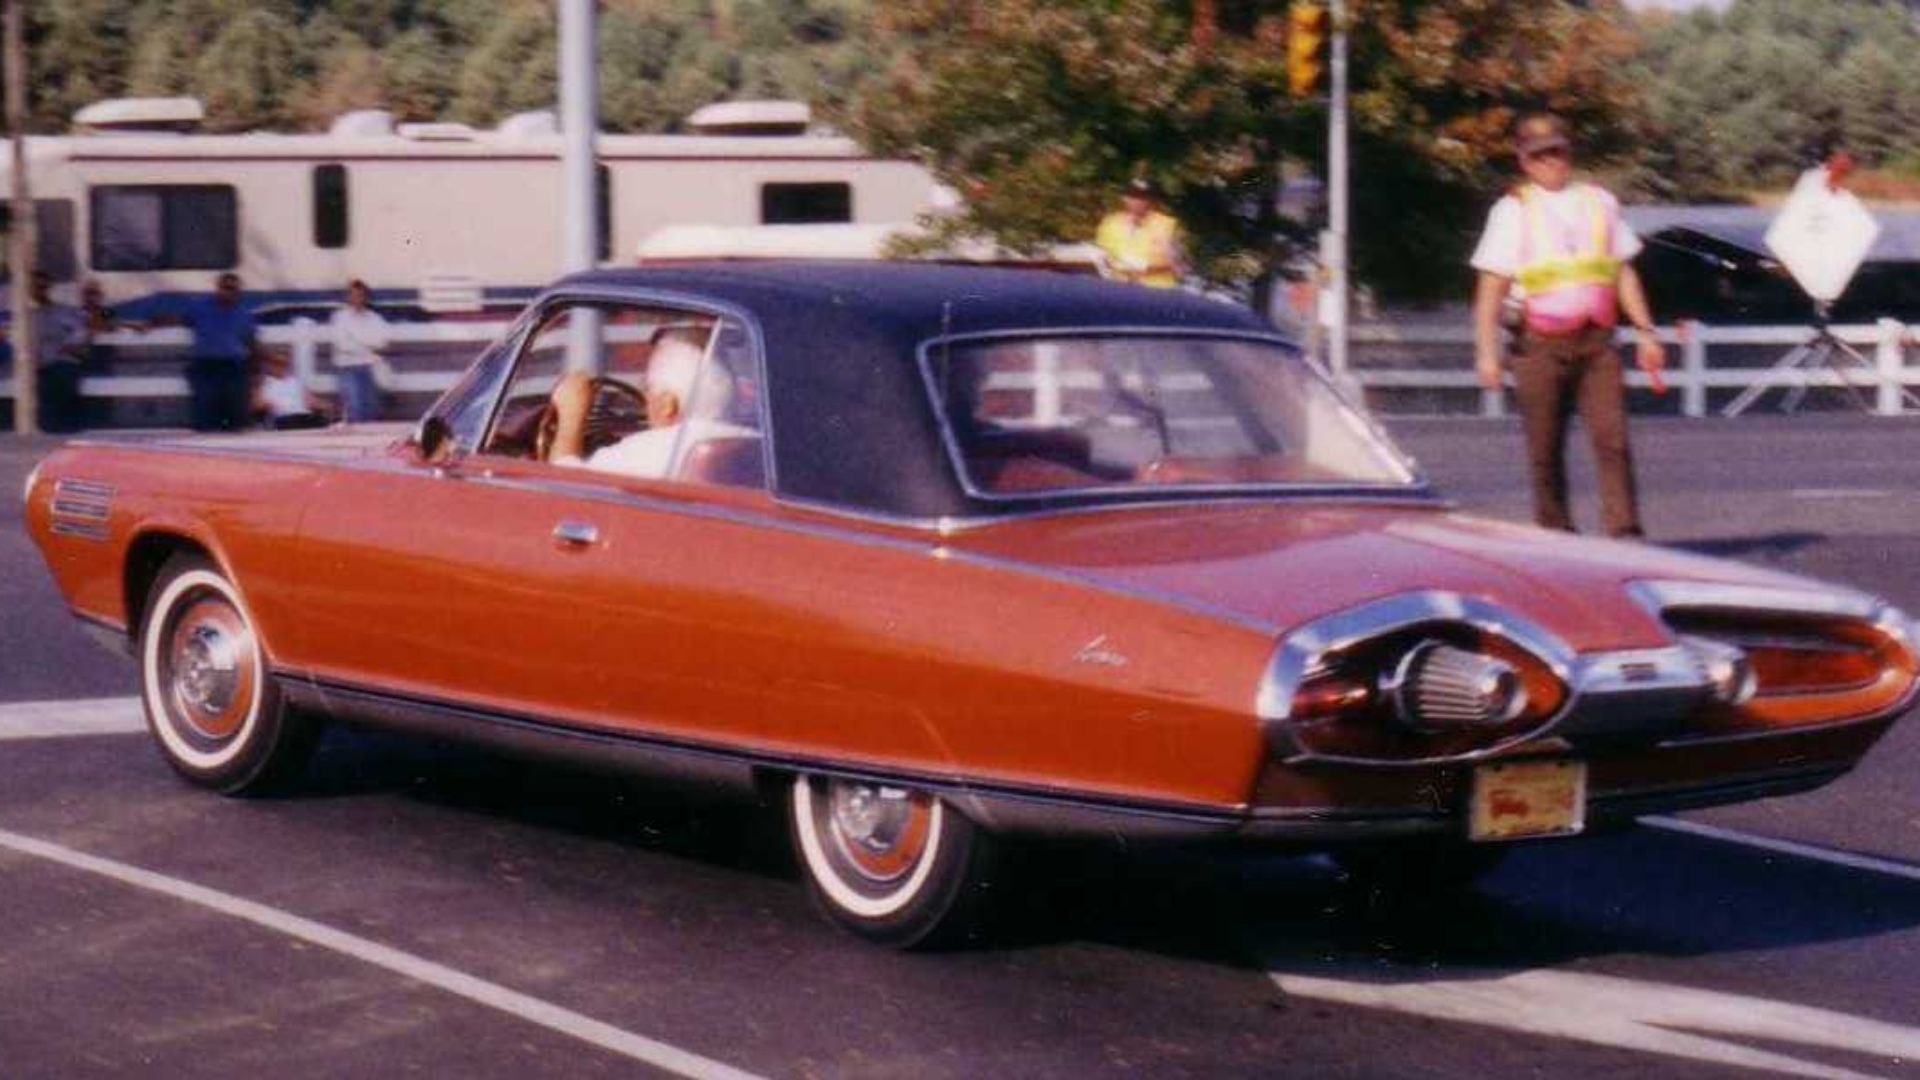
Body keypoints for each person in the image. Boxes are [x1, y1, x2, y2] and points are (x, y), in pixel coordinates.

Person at [1471, 113, 1666, 539]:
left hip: (1596, 342)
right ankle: (1556, 534)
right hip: (1538, 345)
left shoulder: (1600, 202)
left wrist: (1646, 330)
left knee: (1612, 439)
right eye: (1539, 155)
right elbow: (1490, 288)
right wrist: (1486, 352)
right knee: (1544, 448)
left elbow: (1622, 273)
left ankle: (1624, 533)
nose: (1550, 162)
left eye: (1556, 151)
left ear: (1569, 151)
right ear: (1524, 160)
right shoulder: (1513, 210)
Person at [546, 327, 753, 479]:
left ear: (667, 405)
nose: (645, 401)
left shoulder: (650, 450)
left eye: (648, 389)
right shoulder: (755, 443)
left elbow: (565, 482)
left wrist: (571, 416)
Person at [181, 272, 263, 432]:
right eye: (226, 288)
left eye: (234, 289)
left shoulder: (244, 314)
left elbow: (251, 343)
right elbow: (179, 319)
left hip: (233, 366)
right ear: (218, 288)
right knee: (206, 413)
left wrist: (256, 371)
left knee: (236, 415)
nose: (230, 292)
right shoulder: (200, 308)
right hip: (206, 365)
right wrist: (153, 323)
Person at [28, 272, 88, 433]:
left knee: (63, 376)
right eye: (35, 287)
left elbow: (80, 332)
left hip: (60, 362)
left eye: (42, 287)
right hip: (36, 366)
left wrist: (69, 346)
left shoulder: (62, 311)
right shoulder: (27, 315)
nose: (39, 291)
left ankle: (67, 429)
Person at [1095, 178, 1182, 288]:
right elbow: (1100, 256)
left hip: (1155, 290)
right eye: (1133, 197)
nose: (1137, 202)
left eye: (1143, 198)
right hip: (1119, 288)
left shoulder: (1166, 225)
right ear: (1124, 198)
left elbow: (1175, 263)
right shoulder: (1109, 223)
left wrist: (1140, 267)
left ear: (1150, 200)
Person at [328, 279, 391, 422]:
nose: (357, 299)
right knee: (355, 409)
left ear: (366, 297)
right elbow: (342, 344)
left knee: (372, 409)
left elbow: (383, 342)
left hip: (370, 367)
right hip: (347, 368)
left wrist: (357, 341)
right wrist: (368, 345)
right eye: (354, 295)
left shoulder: (375, 318)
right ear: (348, 297)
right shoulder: (340, 317)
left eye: (361, 295)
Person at [252, 348, 329, 430]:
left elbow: (311, 401)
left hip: (304, 416)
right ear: (269, 365)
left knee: (321, 420)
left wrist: (325, 405)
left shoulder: (295, 381)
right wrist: (266, 404)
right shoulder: (264, 383)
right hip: (283, 417)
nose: (280, 367)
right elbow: (256, 406)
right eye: (276, 363)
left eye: (284, 364)